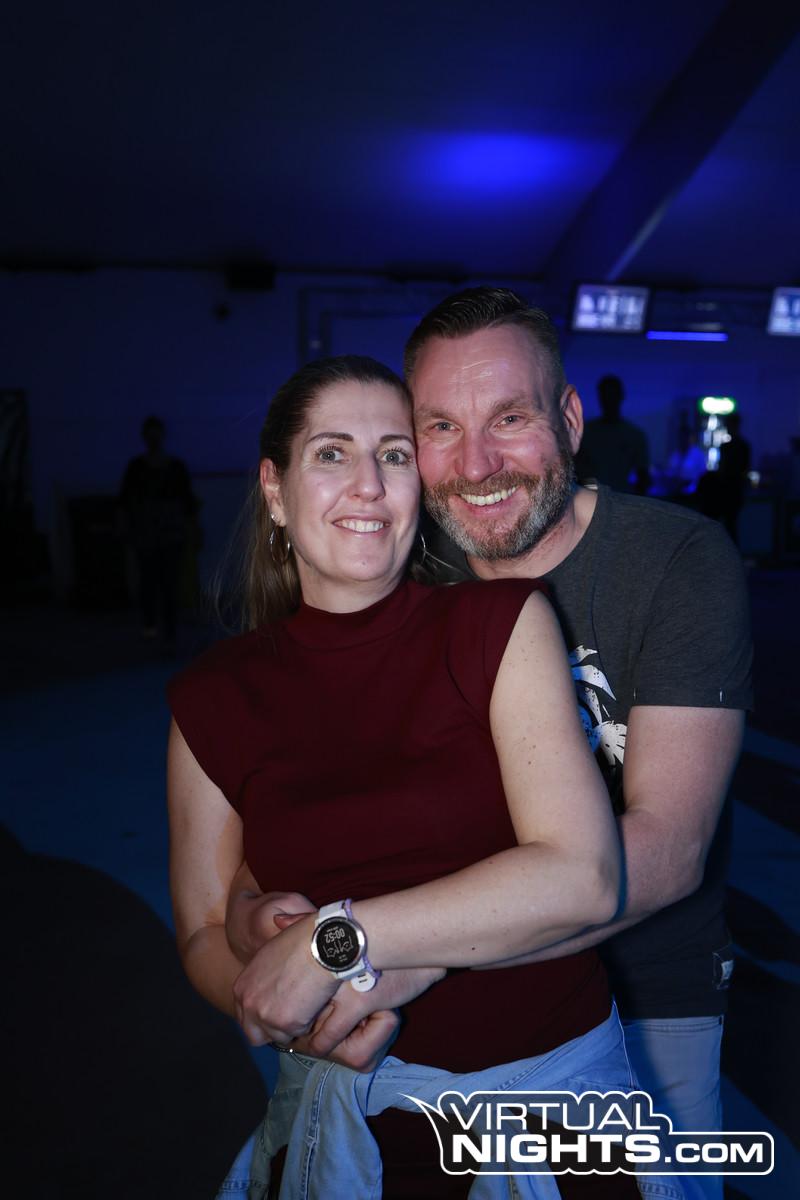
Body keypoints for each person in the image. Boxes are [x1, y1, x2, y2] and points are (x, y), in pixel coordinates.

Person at [232, 293, 751, 1200]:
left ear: (570, 419)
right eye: (441, 427)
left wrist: (382, 950)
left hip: (645, 993)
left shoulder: (674, 561)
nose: (475, 466)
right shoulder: (405, 568)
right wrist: (258, 916)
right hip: (445, 1013)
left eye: (510, 418)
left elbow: (669, 850)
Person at [167, 356, 661, 1199]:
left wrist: (334, 944)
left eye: (394, 455)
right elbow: (206, 932)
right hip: (342, 1128)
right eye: (331, 453)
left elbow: (584, 875)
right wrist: (289, 1011)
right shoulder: (213, 696)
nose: (368, 484)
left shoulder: (497, 624)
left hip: (545, 1120)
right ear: (275, 489)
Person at [119, 415, 198, 649]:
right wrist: (126, 527)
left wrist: (191, 529)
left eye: (157, 433)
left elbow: (187, 502)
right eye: (150, 434)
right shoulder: (137, 468)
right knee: (149, 581)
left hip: (170, 533)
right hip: (147, 534)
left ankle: (168, 629)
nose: (154, 439)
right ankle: (150, 626)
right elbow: (125, 501)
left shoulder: (175, 468)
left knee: (169, 582)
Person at [575, 375, 650, 494]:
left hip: (619, 497)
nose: (609, 400)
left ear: (620, 396)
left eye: (612, 395)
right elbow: (575, 470)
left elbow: (643, 476)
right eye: (606, 395)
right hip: (590, 497)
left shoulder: (634, 435)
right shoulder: (586, 433)